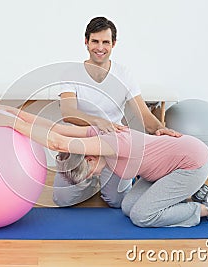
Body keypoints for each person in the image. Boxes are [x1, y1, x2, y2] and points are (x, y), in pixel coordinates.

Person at [0, 106, 208, 227]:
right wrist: (11, 112)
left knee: (142, 217)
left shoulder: (112, 144)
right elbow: (56, 129)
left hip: (191, 162)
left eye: (88, 173)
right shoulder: (96, 137)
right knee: (127, 208)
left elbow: (56, 142)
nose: (92, 177)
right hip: (165, 168)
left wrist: (9, 124)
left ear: (89, 158)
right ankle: (194, 193)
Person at [54, 16, 181, 208]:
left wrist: (162, 130)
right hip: (83, 143)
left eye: (106, 42)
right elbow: (68, 112)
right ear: (86, 42)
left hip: (114, 145)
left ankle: (120, 179)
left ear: (113, 44)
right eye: (95, 41)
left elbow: (145, 116)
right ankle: (91, 184)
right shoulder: (71, 73)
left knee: (117, 201)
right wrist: (97, 121)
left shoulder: (124, 74)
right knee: (62, 200)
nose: (100, 47)